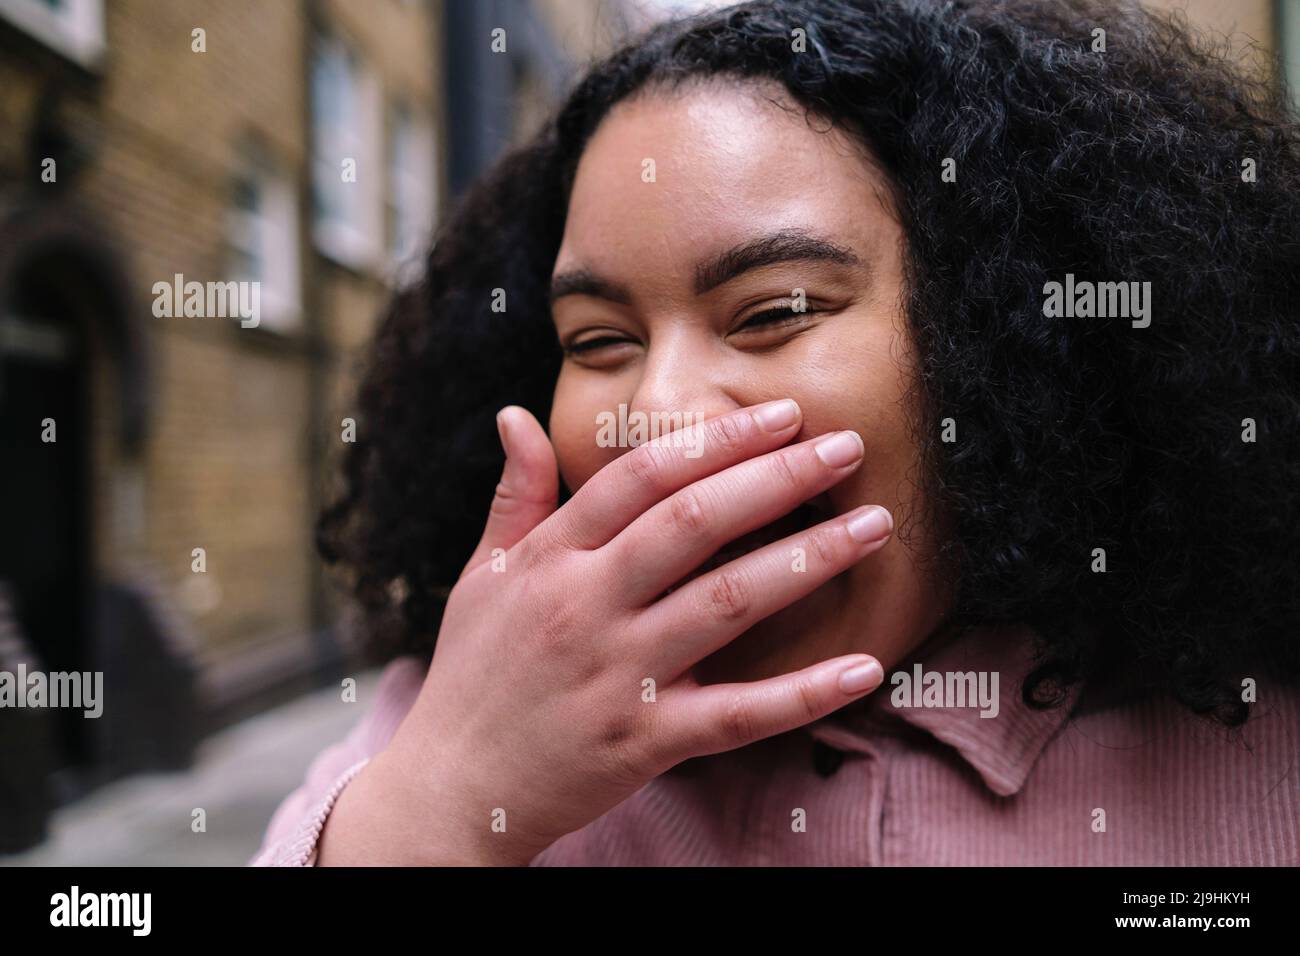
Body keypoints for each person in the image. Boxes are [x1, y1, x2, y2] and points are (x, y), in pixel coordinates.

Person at [251, 0, 1300, 866]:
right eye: (598, 338)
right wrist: (446, 798)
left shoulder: (1252, 743)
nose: (652, 411)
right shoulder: (452, 711)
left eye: (774, 311)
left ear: (992, 337)